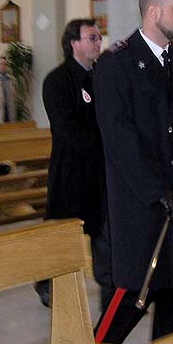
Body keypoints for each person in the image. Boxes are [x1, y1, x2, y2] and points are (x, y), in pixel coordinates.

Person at [93, 0, 173, 344]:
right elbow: (119, 139)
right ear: (154, 12)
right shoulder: (116, 64)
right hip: (141, 205)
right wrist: (154, 190)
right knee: (132, 297)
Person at [37, 18, 113, 310]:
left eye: (99, 37)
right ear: (74, 43)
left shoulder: (102, 75)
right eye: (92, 38)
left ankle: (109, 290)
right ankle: (47, 282)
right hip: (70, 172)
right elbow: (67, 129)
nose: (98, 42)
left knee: (103, 234)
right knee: (60, 235)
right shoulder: (57, 81)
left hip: (100, 174)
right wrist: (104, 147)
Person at [0, 55, 17, 123]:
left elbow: (14, 96)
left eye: (4, 64)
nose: (2, 66)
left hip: (9, 110)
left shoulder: (11, 79)